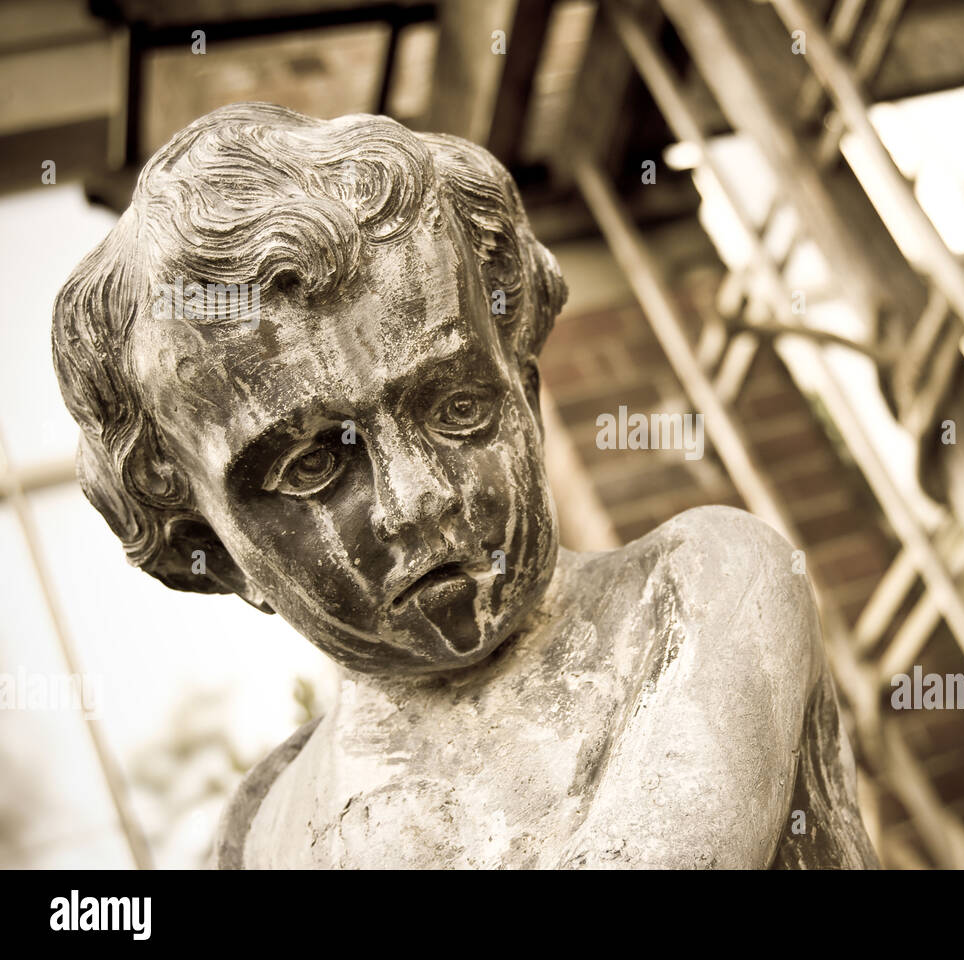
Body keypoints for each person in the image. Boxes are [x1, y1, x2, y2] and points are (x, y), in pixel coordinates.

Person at [51, 103, 877, 869]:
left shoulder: (698, 591)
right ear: (213, 553)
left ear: (525, 385)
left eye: (457, 407)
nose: (419, 497)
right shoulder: (260, 831)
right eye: (311, 467)